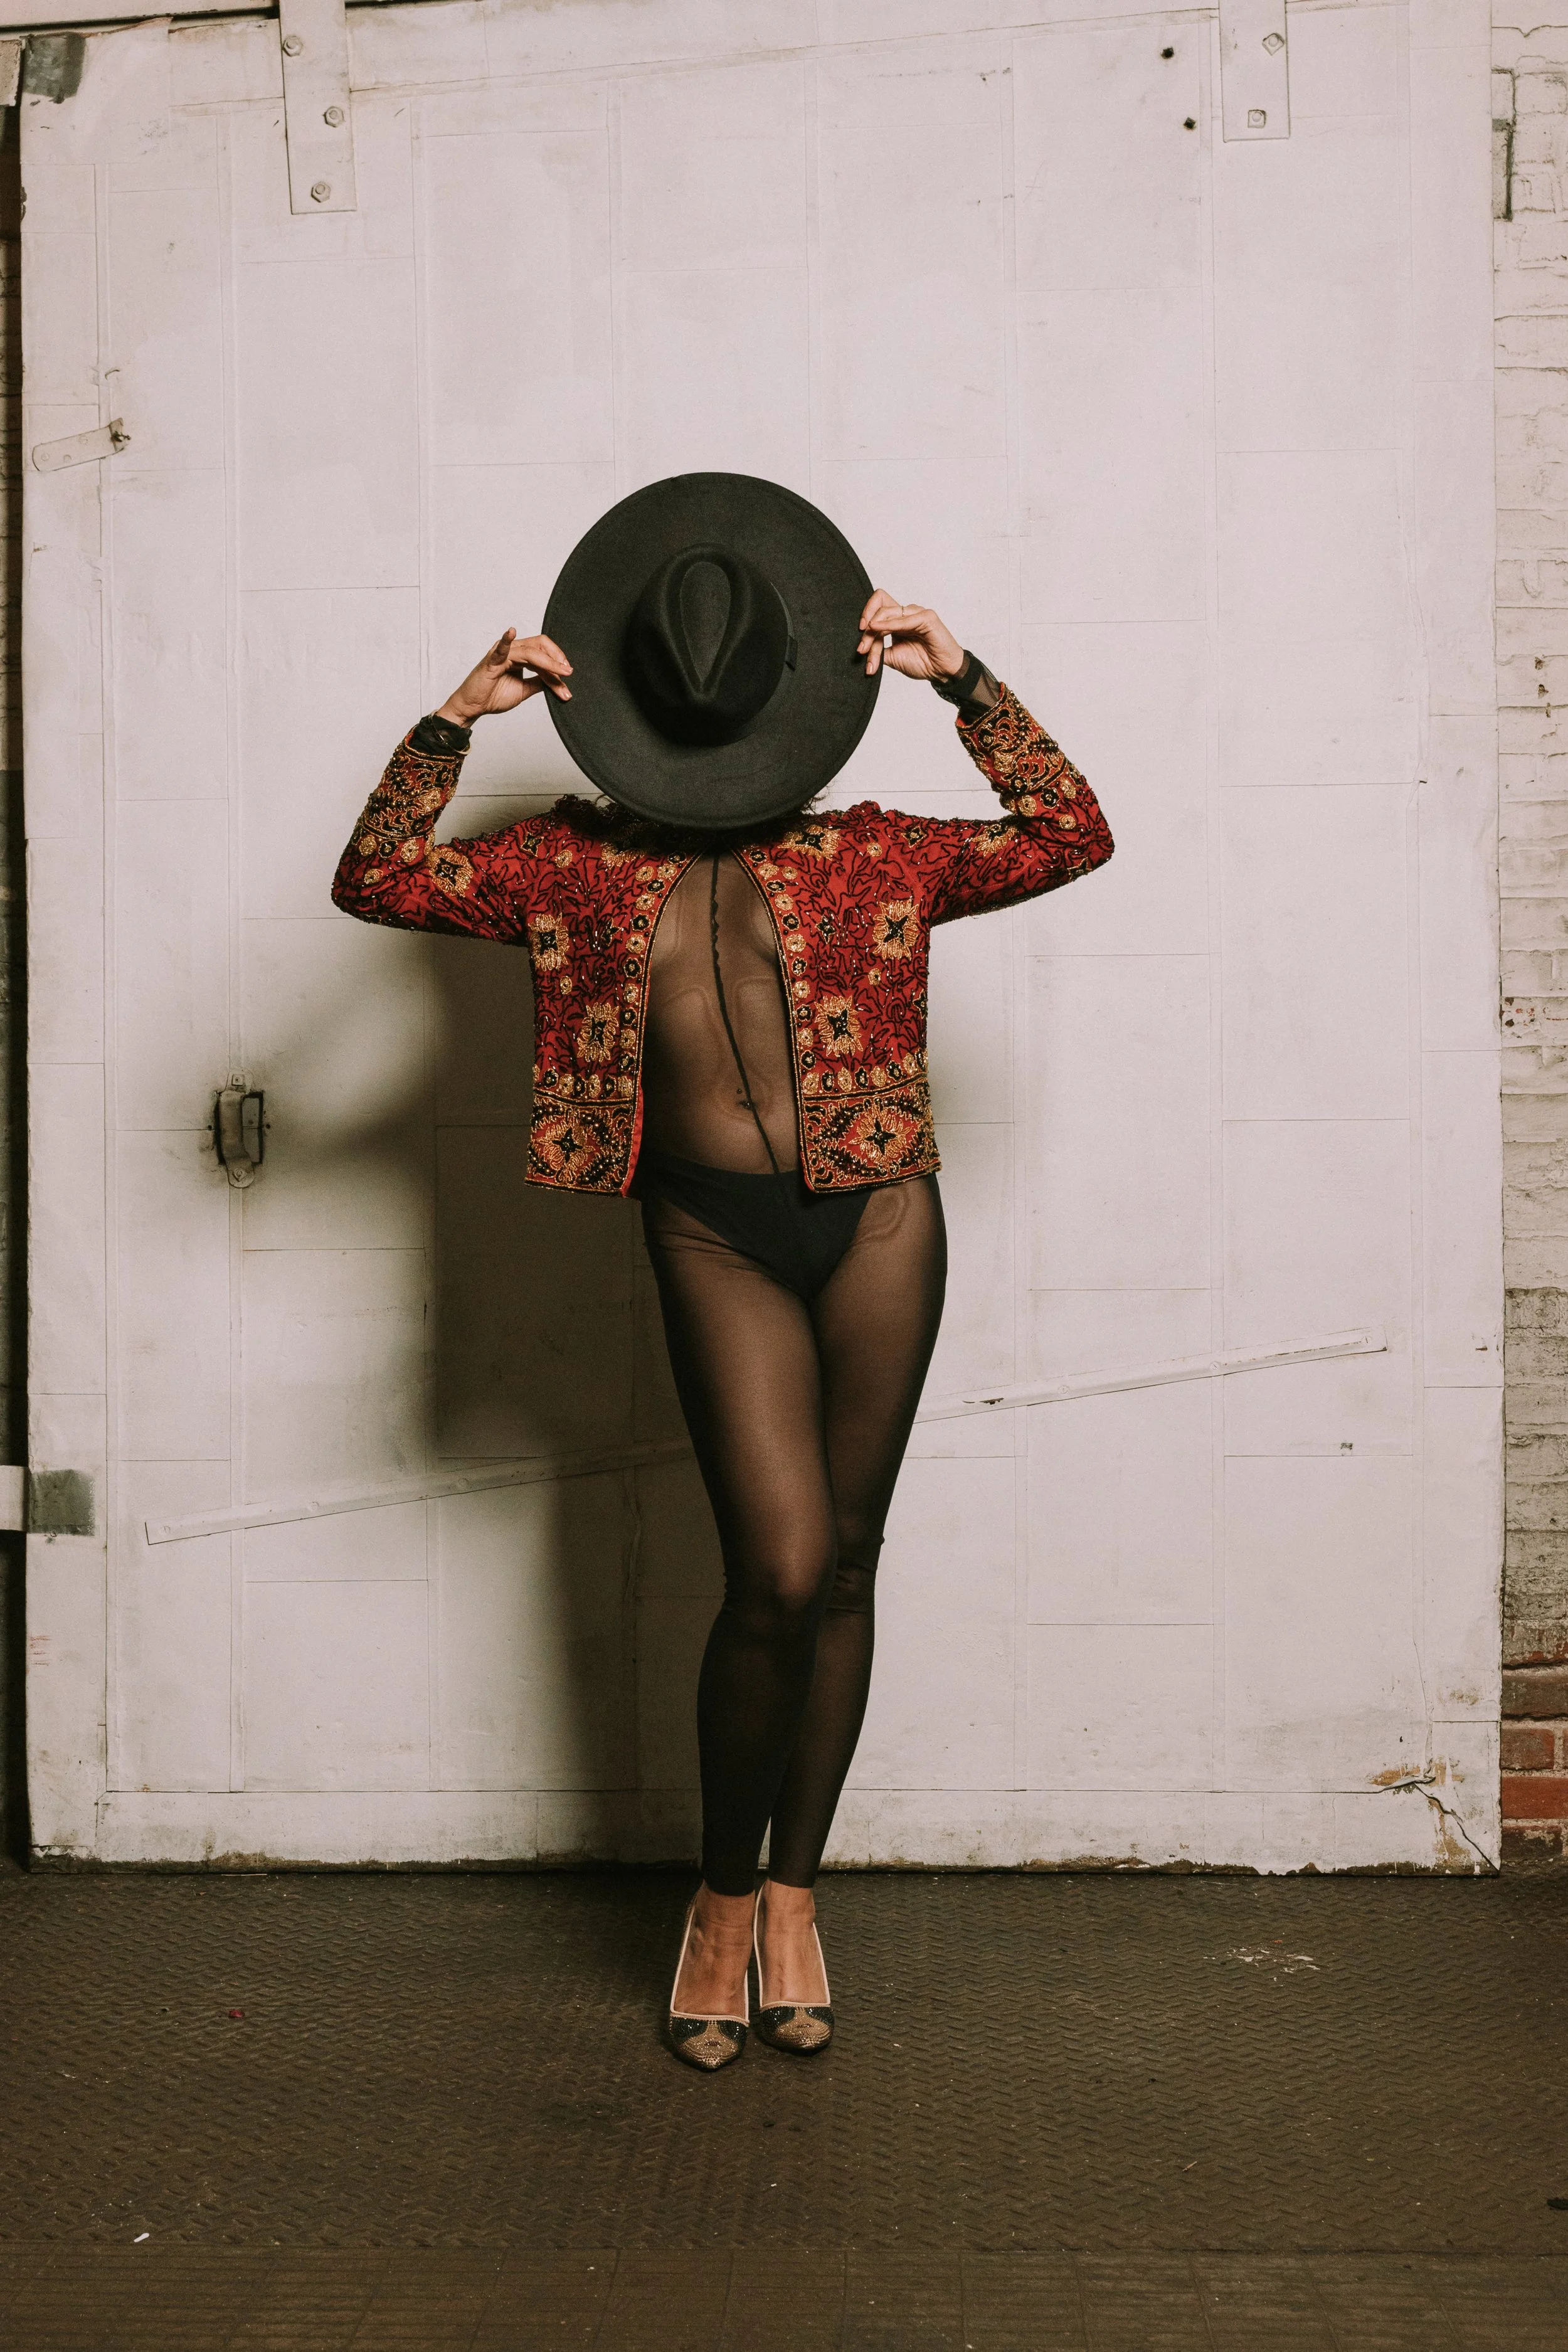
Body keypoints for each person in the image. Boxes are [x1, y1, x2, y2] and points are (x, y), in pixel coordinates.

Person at [332, 475, 1113, 2071]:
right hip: (706, 1229)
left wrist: (962, 683)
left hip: (881, 1217)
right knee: (773, 1564)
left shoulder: (878, 853)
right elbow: (377, 878)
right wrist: (451, 722)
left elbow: (1069, 830)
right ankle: (715, 1890)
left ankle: (794, 1899)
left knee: (843, 1562)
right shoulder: (568, 867)